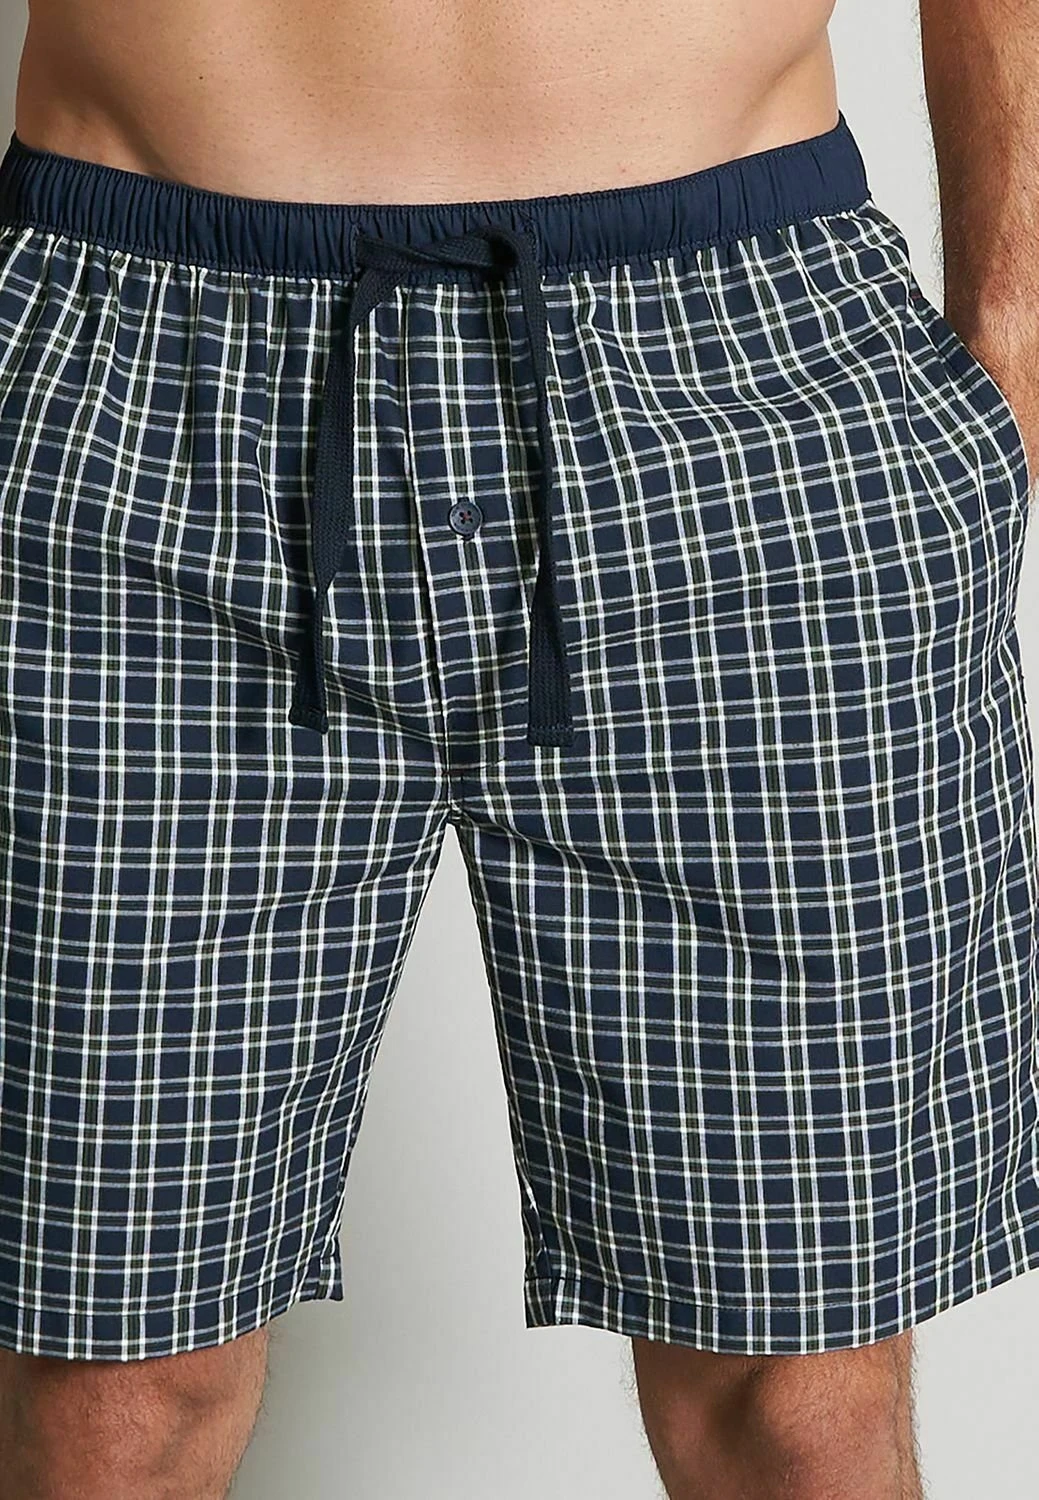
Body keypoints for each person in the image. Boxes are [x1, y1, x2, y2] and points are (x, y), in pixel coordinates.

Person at [0, 0, 1036, 1495]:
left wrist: (1011, 341)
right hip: (134, 379)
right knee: (111, 1397)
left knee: (797, 1402)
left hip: (744, 378)